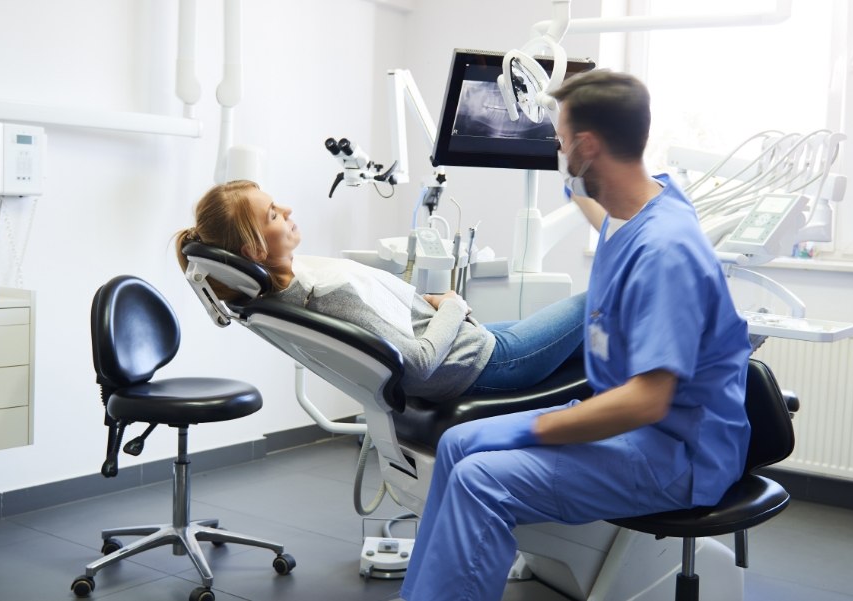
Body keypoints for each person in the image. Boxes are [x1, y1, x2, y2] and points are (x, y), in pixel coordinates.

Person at [399, 70, 753, 601]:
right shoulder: (631, 208)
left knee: (482, 481)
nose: (558, 148)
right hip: (635, 432)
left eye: (562, 140)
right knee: (456, 442)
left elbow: (648, 402)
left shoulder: (666, 252)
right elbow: (583, 189)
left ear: (588, 147)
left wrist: (544, 427)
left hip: (678, 454)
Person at [174, 180, 585, 402]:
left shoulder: (286, 291)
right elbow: (420, 362)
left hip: (469, 349)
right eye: (274, 214)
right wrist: (452, 305)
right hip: (480, 364)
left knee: (595, 347)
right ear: (256, 250)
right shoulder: (323, 294)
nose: (288, 211)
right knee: (596, 304)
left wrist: (430, 307)